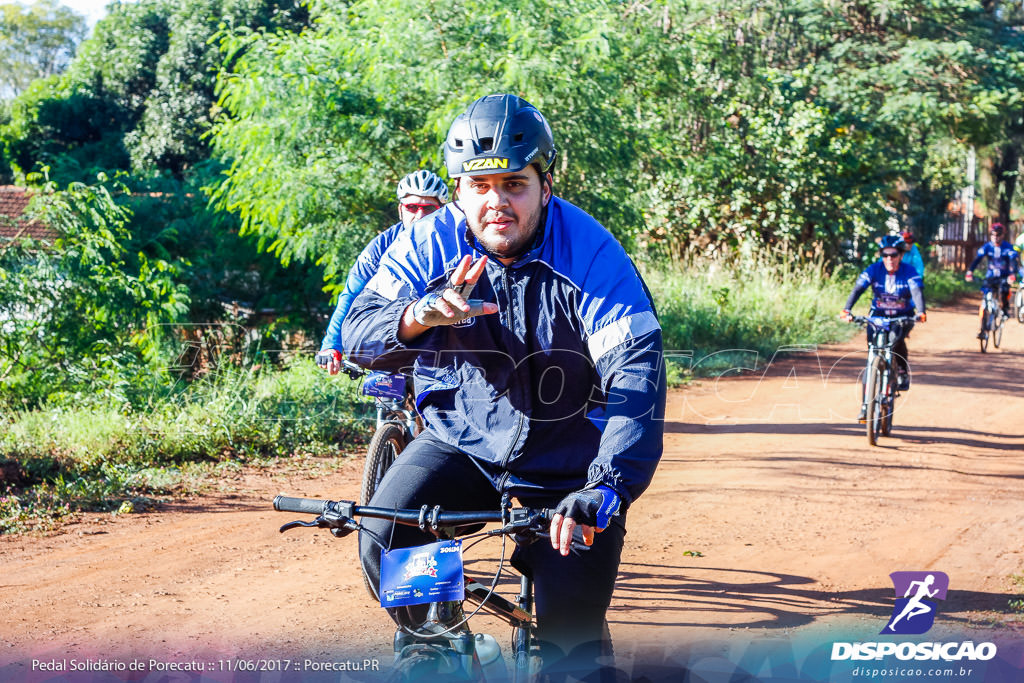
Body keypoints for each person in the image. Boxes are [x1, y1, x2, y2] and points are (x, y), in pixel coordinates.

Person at [341, 93, 666, 676]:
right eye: (480, 184)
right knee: (386, 534)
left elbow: (636, 381)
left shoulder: (592, 254)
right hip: (461, 443)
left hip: (570, 462)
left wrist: (606, 486)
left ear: (545, 183)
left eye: (514, 183)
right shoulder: (429, 240)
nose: (497, 202)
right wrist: (420, 317)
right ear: (458, 191)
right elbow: (358, 332)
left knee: (573, 654)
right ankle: (447, 643)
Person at [315, 169, 449, 373]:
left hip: (443, 343)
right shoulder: (380, 246)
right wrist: (332, 345)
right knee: (382, 390)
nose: (420, 215)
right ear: (400, 210)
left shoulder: (455, 241)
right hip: (393, 334)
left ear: (442, 209)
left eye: (428, 208)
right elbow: (352, 295)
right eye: (412, 207)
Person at [840, 235, 926, 422]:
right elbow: (858, 288)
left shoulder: (909, 271)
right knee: (872, 356)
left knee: (897, 341)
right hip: (877, 316)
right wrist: (847, 309)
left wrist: (921, 312)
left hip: (902, 316)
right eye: (885, 255)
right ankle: (865, 406)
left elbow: (917, 292)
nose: (889, 259)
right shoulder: (874, 269)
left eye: (893, 255)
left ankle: (902, 371)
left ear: (901, 255)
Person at [965, 223, 1020, 325]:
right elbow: (977, 259)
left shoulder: (1008, 247)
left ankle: (1004, 310)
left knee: (1004, 291)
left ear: (1002, 235)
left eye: (998, 235)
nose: (995, 237)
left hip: (1004, 276)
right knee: (986, 296)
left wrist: (1012, 274)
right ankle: (982, 327)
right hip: (990, 276)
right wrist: (970, 271)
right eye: (993, 234)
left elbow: (1013, 261)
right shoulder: (987, 247)